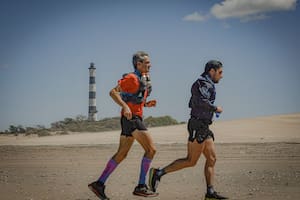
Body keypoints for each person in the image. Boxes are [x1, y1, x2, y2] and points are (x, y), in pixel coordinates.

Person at [149, 60, 228, 200]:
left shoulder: (206, 83)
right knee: (191, 161)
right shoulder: (202, 83)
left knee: (212, 158)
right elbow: (200, 101)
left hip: (204, 126)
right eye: (220, 72)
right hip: (197, 126)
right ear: (212, 71)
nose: (221, 76)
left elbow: (194, 102)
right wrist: (215, 108)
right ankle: (158, 173)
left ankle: (210, 193)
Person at [88, 51, 158, 200]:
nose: (150, 65)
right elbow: (113, 92)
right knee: (151, 150)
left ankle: (99, 184)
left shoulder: (143, 78)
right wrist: (125, 107)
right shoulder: (131, 78)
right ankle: (141, 186)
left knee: (122, 154)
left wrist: (146, 104)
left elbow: (133, 98)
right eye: (147, 63)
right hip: (132, 118)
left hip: (131, 118)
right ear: (138, 64)